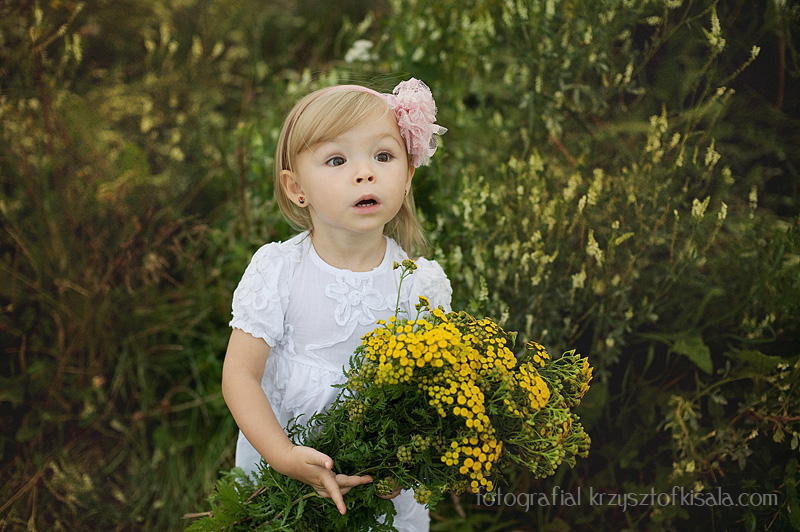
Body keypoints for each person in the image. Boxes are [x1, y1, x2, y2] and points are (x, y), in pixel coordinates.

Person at [221, 78, 452, 532]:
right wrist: (285, 457)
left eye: (383, 157)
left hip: (379, 485)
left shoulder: (421, 285)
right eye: (337, 160)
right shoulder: (279, 270)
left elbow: (430, 393)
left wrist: (401, 464)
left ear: (406, 177)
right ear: (295, 187)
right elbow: (239, 375)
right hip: (286, 476)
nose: (364, 173)